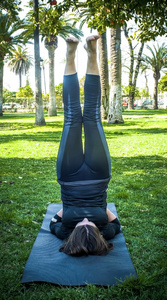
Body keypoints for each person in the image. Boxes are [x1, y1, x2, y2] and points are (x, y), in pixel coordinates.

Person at [50, 35, 120, 256]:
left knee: (71, 117)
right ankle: (93, 51)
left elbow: (53, 221)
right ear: (99, 233)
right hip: (99, 176)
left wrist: (70, 208)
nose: (88, 219)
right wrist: (96, 209)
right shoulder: (108, 232)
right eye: (93, 223)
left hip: (69, 178)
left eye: (82, 223)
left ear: (73, 233)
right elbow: (116, 223)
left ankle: (70, 54)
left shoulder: (63, 232)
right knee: (92, 117)